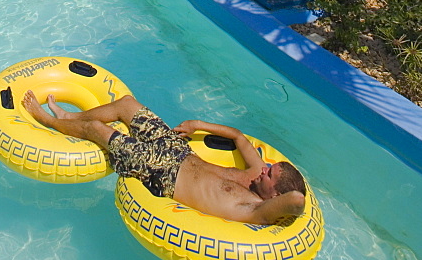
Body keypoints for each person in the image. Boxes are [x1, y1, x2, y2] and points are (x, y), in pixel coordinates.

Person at [22, 91, 306, 225]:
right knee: (126, 104)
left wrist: (290, 194)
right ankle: (69, 115)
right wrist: (199, 124)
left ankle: (47, 119)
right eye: (268, 168)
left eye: (270, 175)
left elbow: (297, 202)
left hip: (163, 173)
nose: (263, 170)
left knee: (98, 130)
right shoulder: (255, 171)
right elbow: (240, 137)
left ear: (275, 195)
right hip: (178, 150)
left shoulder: (257, 209)